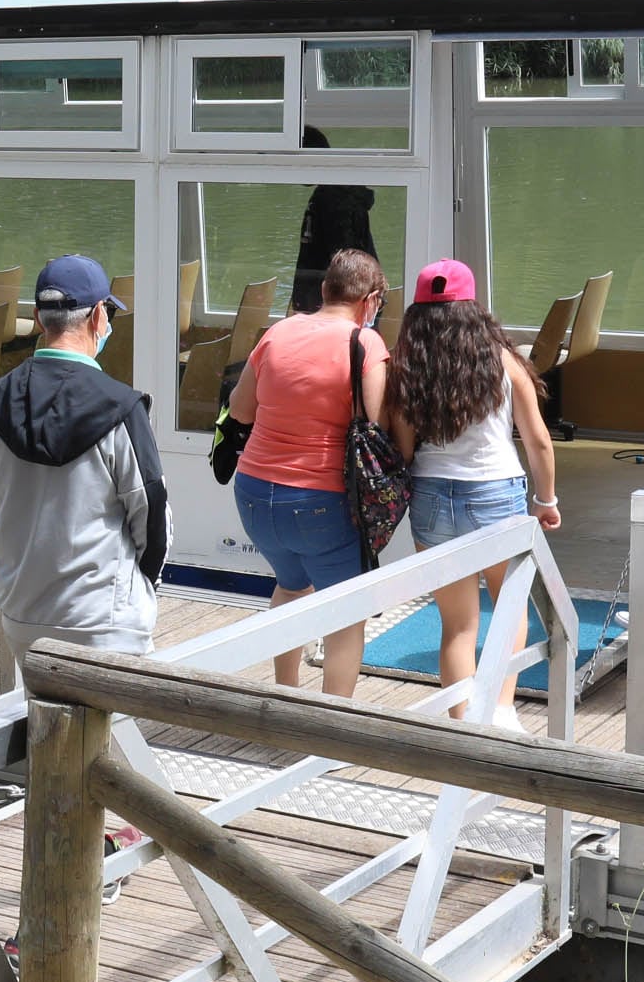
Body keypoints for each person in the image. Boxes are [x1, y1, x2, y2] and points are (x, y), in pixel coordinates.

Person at [0, 255, 169, 688]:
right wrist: (139, 586)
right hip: (105, 619)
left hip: (22, 616)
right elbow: (152, 513)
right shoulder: (122, 406)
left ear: (36, 319)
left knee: (44, 739)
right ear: (99, 315)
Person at [383, 260, 560, 728]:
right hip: (495, 494)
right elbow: (538, 440)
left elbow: (402, 447)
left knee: (458, 625)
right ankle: (500, 711)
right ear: (473, 306)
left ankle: (461, 720)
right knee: (508, 607)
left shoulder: (405, 365)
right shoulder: (502, 360)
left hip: (432, 496)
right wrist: (547, 500)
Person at [226, 246, 390, 696]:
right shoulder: (365, 343)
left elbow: (240, 410)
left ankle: (285, 694)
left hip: (256, 495)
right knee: (345, 613)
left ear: (324, 290)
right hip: (320, 501)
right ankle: (329, 728)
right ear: (371, 300)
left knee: (291, 587)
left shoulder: (278, 333)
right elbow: (376, 423)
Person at [289, 126, 376, 314]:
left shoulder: (332, 200)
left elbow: (345, 265)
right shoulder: (339, 194)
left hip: (334, 313)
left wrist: (323, 311)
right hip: (341, 308)